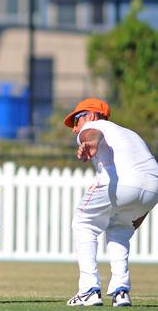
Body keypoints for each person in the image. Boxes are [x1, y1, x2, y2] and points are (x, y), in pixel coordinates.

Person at [64, 98, 158, 307]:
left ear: (91, 115)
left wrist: (91, 141)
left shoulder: (93, 125)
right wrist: (137, 215)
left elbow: (92, 132)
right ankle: (120, 291)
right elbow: (147, 182)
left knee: (83, 223)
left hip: (123, 181)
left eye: (76, 121)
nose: (75, 129)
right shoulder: (129, 133)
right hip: (153, 186)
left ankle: (88, 289)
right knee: (120, 228)